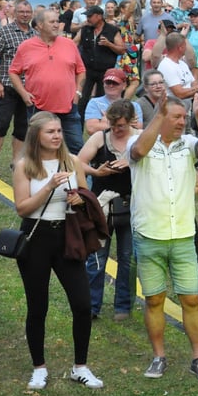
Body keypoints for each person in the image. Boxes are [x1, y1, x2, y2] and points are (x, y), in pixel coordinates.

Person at [128, 92, 198, 381]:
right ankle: (159, 356)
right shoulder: (138, 141)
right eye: (176, 117)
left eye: (183, 117)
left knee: (191, 299)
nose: (182, 122)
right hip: (149, 234)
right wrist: (156, 115)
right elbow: (138, 152)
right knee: (154, 300)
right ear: (161, 117)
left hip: (182, 235)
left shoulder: (188, 145)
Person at [12, 111, 104, 390]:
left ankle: (80, 367)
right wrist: (49, 187)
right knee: (37, 306)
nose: (56, 136)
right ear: (36, 136)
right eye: (50, 132)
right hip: (36, 237)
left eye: (59, 131)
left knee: (82, 303)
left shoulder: (72, 161)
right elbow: (22, 208)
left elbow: (87, 200)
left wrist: (78, 200)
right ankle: (39, 367)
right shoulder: (24, 165)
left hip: (67, 237)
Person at [77, 100, 137, 322]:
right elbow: (78, 162)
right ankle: (92, 306)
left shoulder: (139, 138)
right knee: (96, 257)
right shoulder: (99, 137)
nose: (116, 129)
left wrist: (131, 164)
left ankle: (123, 306)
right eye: (112, 124)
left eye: (120, 125)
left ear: (130, 121)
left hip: (131, 206)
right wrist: (96, 172)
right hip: (102, 207)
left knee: (128, 258)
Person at [9, 6, 85, 153]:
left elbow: (81, 71)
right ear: (40, 26)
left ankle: (77, 176)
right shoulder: (26, 47)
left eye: (57, 21)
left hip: (68, 107)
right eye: (52, 22)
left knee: (76, 148)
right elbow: (13, 72)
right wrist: (24, 94)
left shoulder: (69, 45)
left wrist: (78, 93)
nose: (57, 24)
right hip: (38, 108)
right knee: (38, 149)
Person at [0, 0, 34, 173]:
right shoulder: (4, 32)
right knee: (1, 124)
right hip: (7, 86)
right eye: (21, 12)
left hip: (28, 89)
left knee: (22, 127)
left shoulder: (36, 34)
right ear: (14, 13)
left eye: (27, 12)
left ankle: (16, 163)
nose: (25, 15)